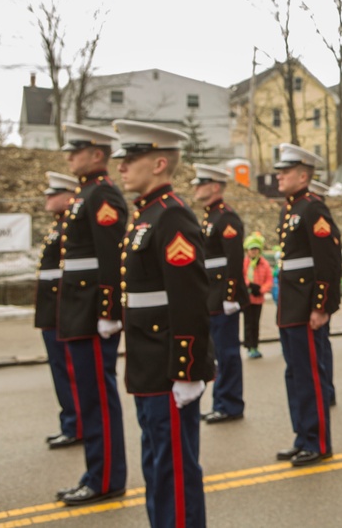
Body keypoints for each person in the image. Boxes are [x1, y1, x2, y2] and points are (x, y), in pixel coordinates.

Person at [114, 119, 213, 527]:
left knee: (173, 469)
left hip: (168, 363)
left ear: (158, 163)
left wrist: (187, 371)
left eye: (130, 158)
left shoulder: (171, 218)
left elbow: (189, 300)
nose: (121, 166)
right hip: (148, 360)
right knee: (157, 465)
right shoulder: (147, 216)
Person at [54, 122, 128, 507]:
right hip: (78, 311)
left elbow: (112, 258)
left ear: (98, 154)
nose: (69, 156)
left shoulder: (102, 196)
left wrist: (108, 311)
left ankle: (105, 478)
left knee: (98, 397)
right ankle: (96, 473)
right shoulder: (87, 194)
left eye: (76, 150)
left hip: (92, 314)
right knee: (89, 396)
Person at [273, 143, 342, 467]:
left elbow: (327, 260)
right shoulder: (292, 208)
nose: (279, 176)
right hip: (290, 304)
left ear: (303, 175)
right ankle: (302, 436)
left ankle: (317, 441)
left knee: (309, 375)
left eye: (285, 172)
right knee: (294, 374)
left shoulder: (313, 208)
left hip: (305, 306)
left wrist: (321, 305)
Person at [191, 163, 250, 424]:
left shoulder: (226, 217)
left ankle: (230, 404)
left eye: (200, 183)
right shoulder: (210, 217)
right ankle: (221, 401)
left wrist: (230, 296)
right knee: (218, 355)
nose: (195, 187)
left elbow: (234, 260)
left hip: (222, 298)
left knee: (227, 354)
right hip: (210, 297)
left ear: (215, 187)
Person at [35, 171, 82, 450]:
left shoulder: (69, 229)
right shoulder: (58, 227)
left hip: (61, 309)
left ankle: (75, 424)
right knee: (59, 369)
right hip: (51, 309)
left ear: (68, 197)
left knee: (68, 371)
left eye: (54, 194)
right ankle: (69, 420)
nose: (48, 198)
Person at [309, 179, 337, 407]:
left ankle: (326, 390)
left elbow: (327, 262)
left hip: (316, 296)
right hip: (308, 295)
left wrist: (323, 303)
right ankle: (326, 390)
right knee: (320, 349)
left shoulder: (318, 217)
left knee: (320, 349)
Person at [242, 232, 272, 359]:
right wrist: (249, 285)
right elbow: (241, 276)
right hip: (247, 298)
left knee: (256, 323)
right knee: (248, 323)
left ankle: (255, 345)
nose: (253, 251)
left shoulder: (264, 263)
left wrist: (261, 290)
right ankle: (249, 345)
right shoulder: (244, 263)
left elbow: (269, 280)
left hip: (258, 298)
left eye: (255, 249)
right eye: (251, 249)